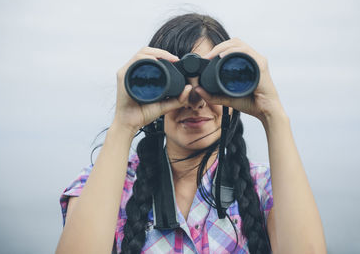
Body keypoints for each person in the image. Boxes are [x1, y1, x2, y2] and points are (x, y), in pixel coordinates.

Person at [55, 13, 327, 254]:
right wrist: (123, 124)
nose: (195, 100)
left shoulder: (264, 188)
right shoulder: (106, 184)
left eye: (212, 82)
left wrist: (273, 114)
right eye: (178, 83)